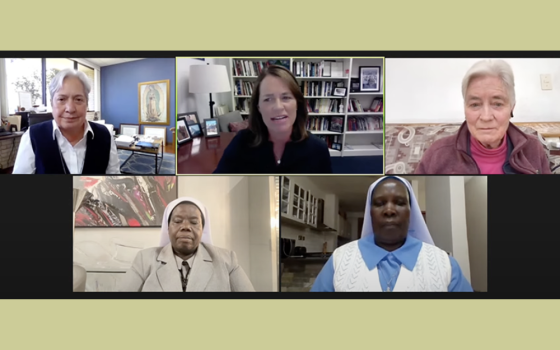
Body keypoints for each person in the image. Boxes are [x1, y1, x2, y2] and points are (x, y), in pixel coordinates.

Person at [310, 176, 473, 292]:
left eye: (400, 203)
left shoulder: (445, 265)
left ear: (411, 212)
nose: (389, 210)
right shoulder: (340, 260)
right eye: (380, 204)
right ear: (370, 212)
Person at [415, 60, 551, 174]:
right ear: (465, 108)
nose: (486, 117)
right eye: (475, 105)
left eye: (497, 104)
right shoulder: (437, 154)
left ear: (512, 108)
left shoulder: (532, 148)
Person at [213, 65, 332, 174]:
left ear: (298, 104)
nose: (278, 107)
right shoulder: (240, 143)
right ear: (258, 107)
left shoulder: (318, 150)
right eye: (268, 99)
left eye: (286, 97)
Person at [119, 197, 255, 292]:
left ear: (203, 229)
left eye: (194, 222)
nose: (185, 227)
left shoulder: (227, 260)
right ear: (168, 227)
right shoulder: (145, 259)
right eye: (177, 221)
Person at [12, 69, 120, 174]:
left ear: (86, 104)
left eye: (78, 99)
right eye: (61, 99)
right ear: (51, 103)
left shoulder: (105, 135)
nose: (70, 109)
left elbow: (114, 181)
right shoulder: (32, 136)